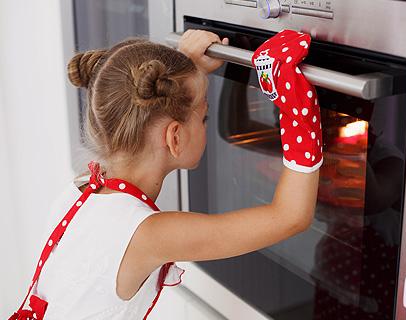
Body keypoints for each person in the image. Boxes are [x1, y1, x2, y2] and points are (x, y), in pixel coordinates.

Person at [12, 29, 322, 319]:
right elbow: (290, 216)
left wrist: (188, 68)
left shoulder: (83, 187)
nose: (205, 123)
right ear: (174, 138)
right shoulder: (148, 235)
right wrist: (297, 110)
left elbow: (139, 102)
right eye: (204, 117)